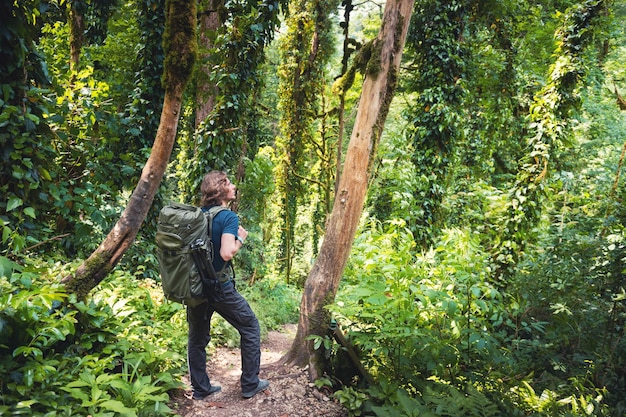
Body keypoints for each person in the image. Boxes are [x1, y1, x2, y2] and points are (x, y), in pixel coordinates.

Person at [186, 170, 269, 401]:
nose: (234, 187)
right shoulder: (228, 217)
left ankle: (201, 389)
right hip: (219, 288)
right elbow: (226, 253)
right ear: (221, 189)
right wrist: (241, 238)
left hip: (195, 287)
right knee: (250, 326)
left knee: (197, 338)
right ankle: (250, 383)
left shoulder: (197, 215)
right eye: (230, 183)